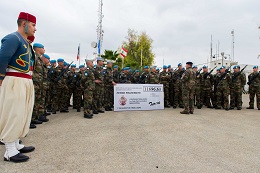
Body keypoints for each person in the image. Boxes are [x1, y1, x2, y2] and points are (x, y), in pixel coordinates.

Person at [0, 12, 36, 162]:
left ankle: (15, 143)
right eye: (33, 25)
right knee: (13, 113)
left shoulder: (25, 42)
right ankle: (9, 151)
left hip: (25, 80)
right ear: (24, 23)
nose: (35, 29)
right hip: (15, 80)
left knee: (23, 113)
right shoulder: (13, 38)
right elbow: (2, 57)